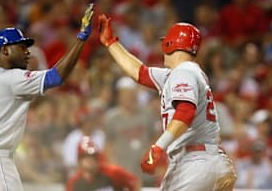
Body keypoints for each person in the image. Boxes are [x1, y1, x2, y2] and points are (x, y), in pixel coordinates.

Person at [0, 3, 94, 191]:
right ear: (4, 51)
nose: (28, 51)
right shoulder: (12, 78)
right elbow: (56, 76)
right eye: (21, 47)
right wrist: (80, 39)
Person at [98, 14, 237, 190]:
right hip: (213, 163)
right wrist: (111, 43)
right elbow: (139, 73)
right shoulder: (183, 73)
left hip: (193, 164)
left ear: (170, 44)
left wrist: (158, 147)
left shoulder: (183, 72)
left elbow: (186, 112)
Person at [66, 136, 140, 191]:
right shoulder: (74, 183)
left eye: (93, 156)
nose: (90, 160)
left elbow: (135, 182)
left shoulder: (113, 172)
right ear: (79, 160)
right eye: (86, 157)